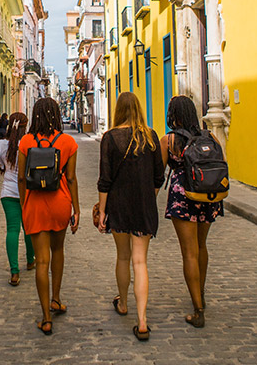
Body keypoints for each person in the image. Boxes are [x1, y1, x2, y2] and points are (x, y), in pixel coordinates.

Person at [97, 92, 165, 341]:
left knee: (123, 257)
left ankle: (123, 303)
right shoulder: (151, 136)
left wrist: (103, 210)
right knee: (140, 262)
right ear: (138, 108)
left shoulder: (110, 138)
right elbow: (159, 176)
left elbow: (105, 180)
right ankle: (143, 320)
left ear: (118, 111)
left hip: (118, 206)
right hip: (144, 207)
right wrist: (149, 196)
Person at [18, 97, 80, 336]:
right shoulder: (67, 142)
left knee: (41, 261)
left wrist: (24, 204)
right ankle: (56, 299)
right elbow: (72, 178)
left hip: (35, 205)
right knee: (59, 251)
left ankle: (45, 317)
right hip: (60, 203)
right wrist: (77, 209)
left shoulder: (26, 141)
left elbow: (22, 178)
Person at [161, 96, 223, 328]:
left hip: (183, 198)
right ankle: (201, 294)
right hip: (208, 197)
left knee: (189, 252)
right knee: (201, 246)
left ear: (173, 114)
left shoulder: (169, 140)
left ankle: (197, 309)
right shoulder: (210, 136)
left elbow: (158, 175)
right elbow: (222, 163)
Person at [0, 112, 36, 286]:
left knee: (12, 230)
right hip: (28, 193)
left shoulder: (2, 144)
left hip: (8, 193)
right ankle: (31, 260)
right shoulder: (29, 143)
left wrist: (3, 163)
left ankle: (14, 272)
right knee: (29, 228)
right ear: (25, 126)